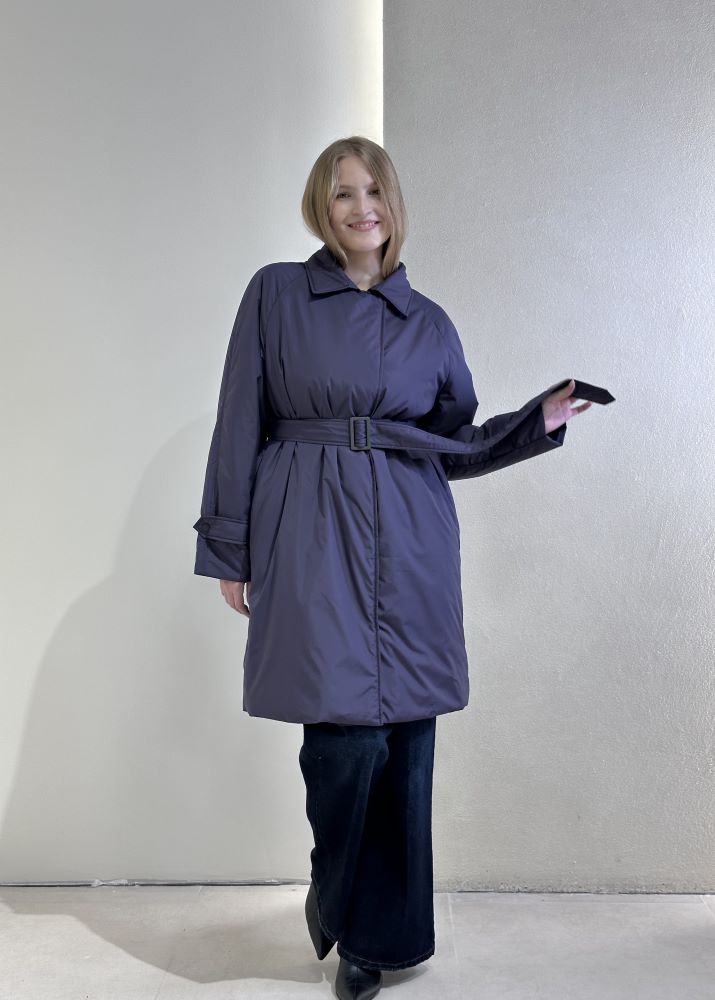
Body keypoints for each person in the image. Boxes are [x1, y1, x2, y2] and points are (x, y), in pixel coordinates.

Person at [192, 136, 598, 1000]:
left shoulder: (429, 322)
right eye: (342, 193)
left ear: (393, 205)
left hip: (412, 536)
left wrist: (538, 420)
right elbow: (238, 419)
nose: (360, 207)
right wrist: (230, 544)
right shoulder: (276, 294)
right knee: (344, 739)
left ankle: (374, 943)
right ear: (321, 206)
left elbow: (455, 445)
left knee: (406, 738)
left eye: (373, 191)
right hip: (307, 526)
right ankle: (335, 884)